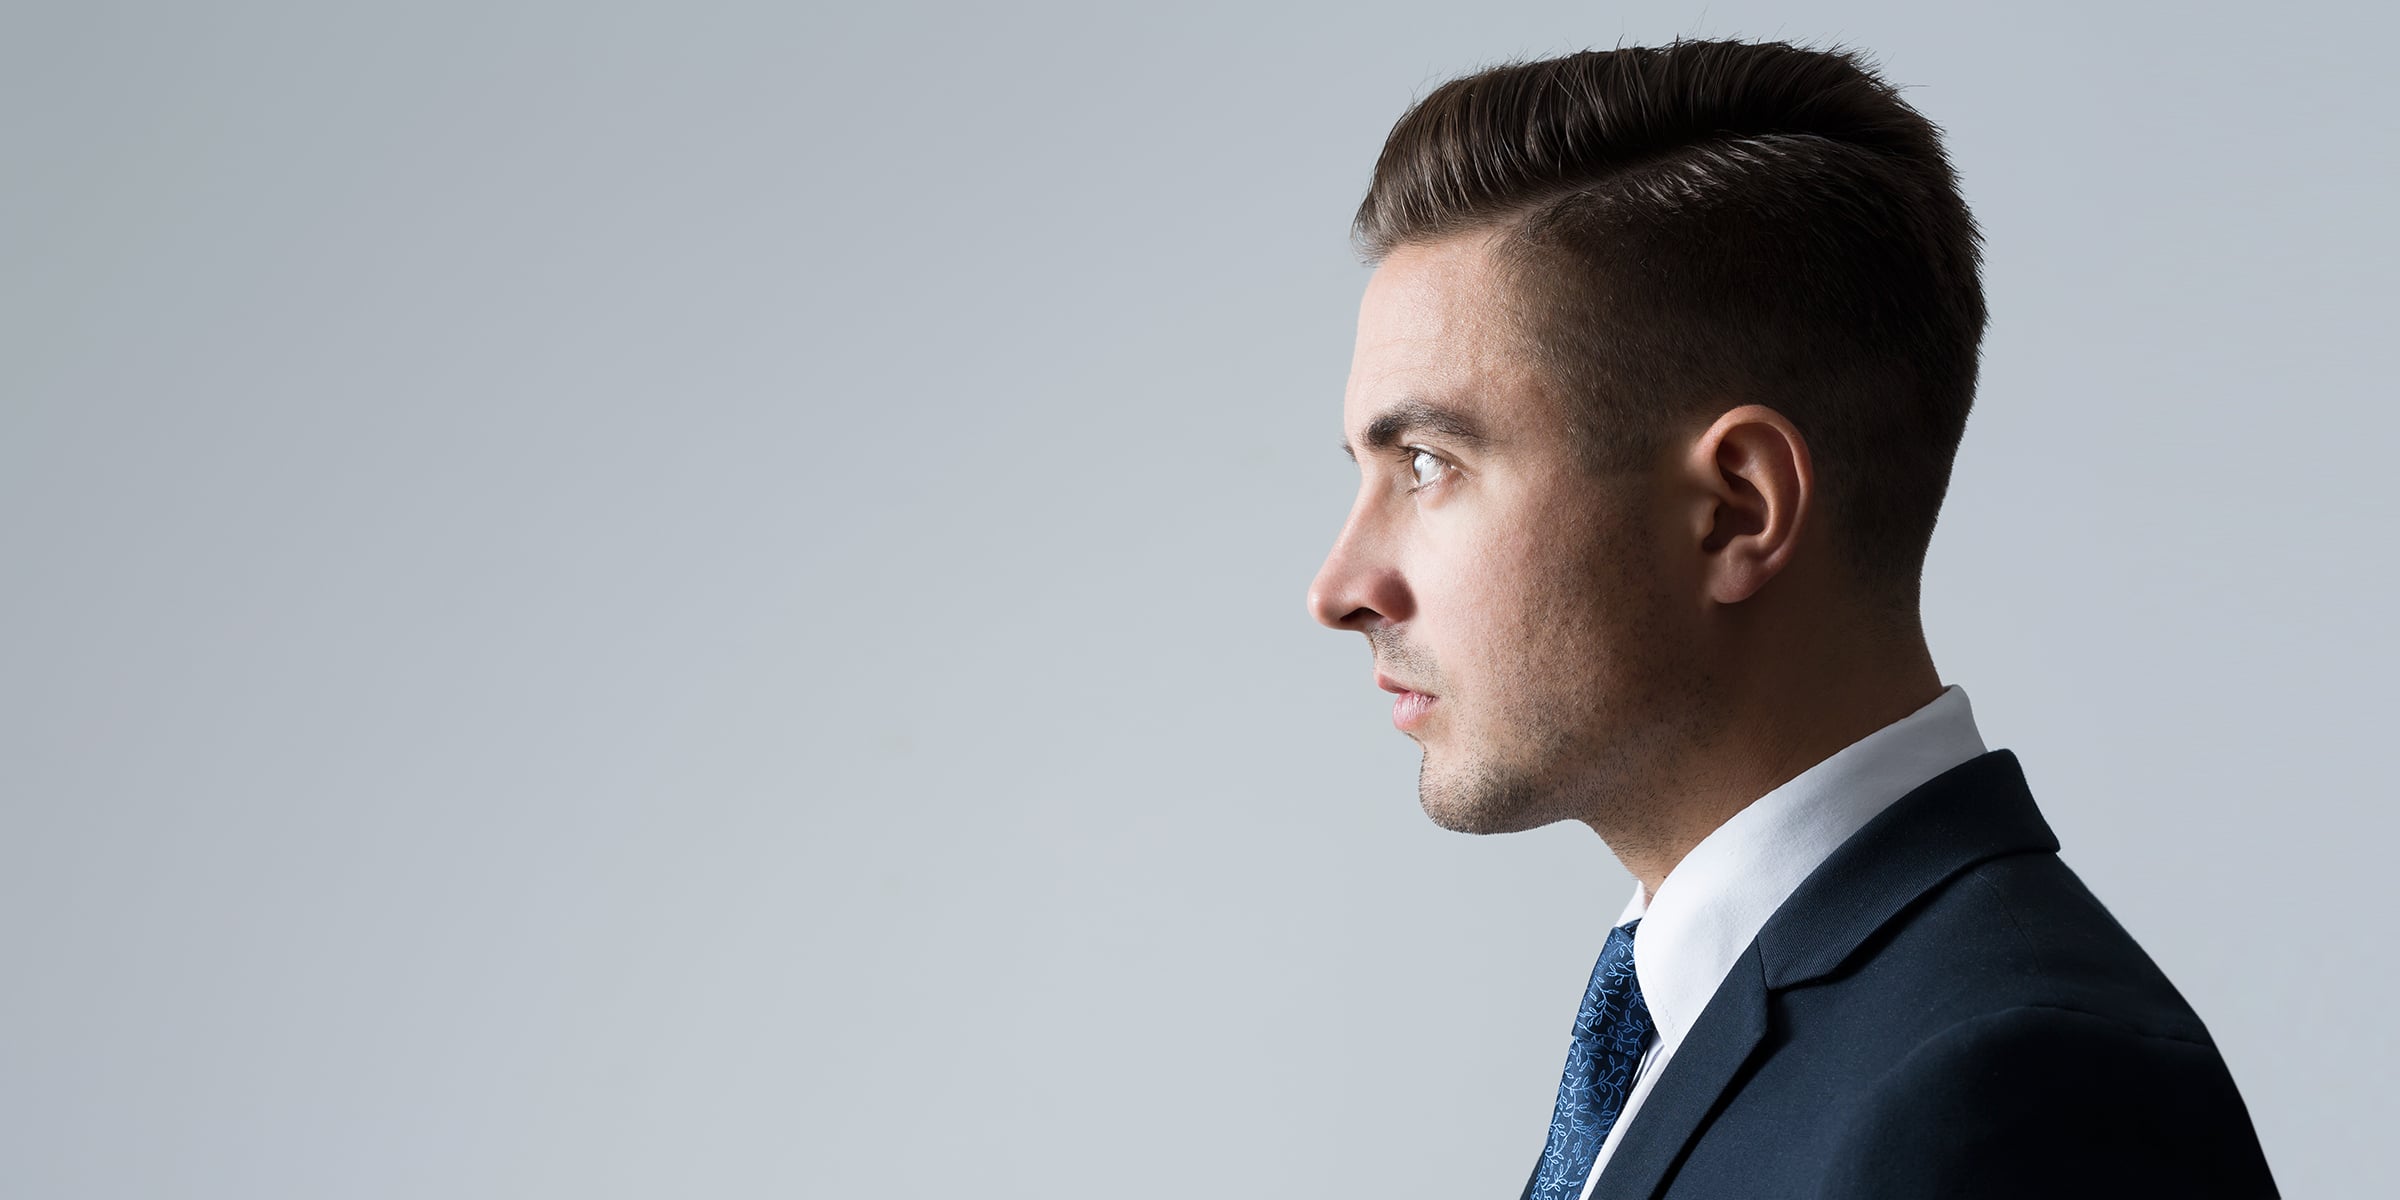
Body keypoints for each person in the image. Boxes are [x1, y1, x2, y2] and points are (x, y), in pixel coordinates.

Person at [1304, 38, 2279, 1200]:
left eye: (1426, 463)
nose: (1340, 586)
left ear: (1736, 510)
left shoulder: (2019, 1087)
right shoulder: (1699, 1017)